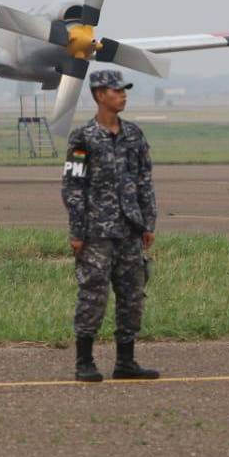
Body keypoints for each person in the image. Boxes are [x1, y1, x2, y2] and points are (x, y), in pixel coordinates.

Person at [62, 69, 160, 382]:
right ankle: (84, 361)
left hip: (129, 229)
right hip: (96, 232)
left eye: (124, 90)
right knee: (94, 295)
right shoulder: (83, 138)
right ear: (99, 94)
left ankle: (126, 362)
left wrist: (148, 222)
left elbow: (144, 179)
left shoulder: (134, 135)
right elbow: (73, 186)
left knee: (132, 296)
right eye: (117, 91)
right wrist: (78, 231)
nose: (123, 95)